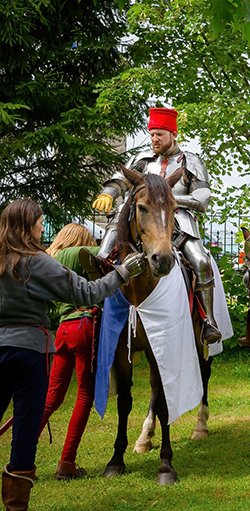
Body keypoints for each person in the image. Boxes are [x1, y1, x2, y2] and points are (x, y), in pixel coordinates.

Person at [0, 200, 143, 510]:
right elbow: (86, 294)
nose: (42, 228)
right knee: (24, 433)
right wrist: (122, 272)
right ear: (27, 226)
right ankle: (15, 507)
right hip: (28, 353)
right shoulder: (36, 261)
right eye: (39, 222)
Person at [90, 107, 222, 346]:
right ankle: (97, 303)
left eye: (160, 134)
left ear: (173, 134)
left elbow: (202, 199)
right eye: (152, 134)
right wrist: (108, 193)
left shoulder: (189, 161)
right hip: (142, 220)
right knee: (108, 242)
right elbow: (120, 180)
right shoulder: (142, 160)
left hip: (178, 220)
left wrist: (165, 200)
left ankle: (208, 322)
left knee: (201, 262)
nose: (154, 139)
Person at [39, 224, 100, 481]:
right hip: (84, 326)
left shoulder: (50, 257)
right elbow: (111, 251)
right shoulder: (79, 253)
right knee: (85, 396)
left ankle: (22, 457)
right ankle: (67, 463)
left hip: (62, 330)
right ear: (80, 240)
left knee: (52, 398)